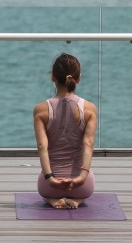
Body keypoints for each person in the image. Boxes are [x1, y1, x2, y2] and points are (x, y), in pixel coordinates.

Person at [33, 53, 98, 209]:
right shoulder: (90, 109)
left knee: (46, 191)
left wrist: (50, 179)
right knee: (86, 185)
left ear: (53, 77)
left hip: (50, 186)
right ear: (78, 78)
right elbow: (88, 144)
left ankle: (52, 199)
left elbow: (42, 147)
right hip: (82, 186)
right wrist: (81, 179)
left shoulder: (40, 110)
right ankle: (78, 200)